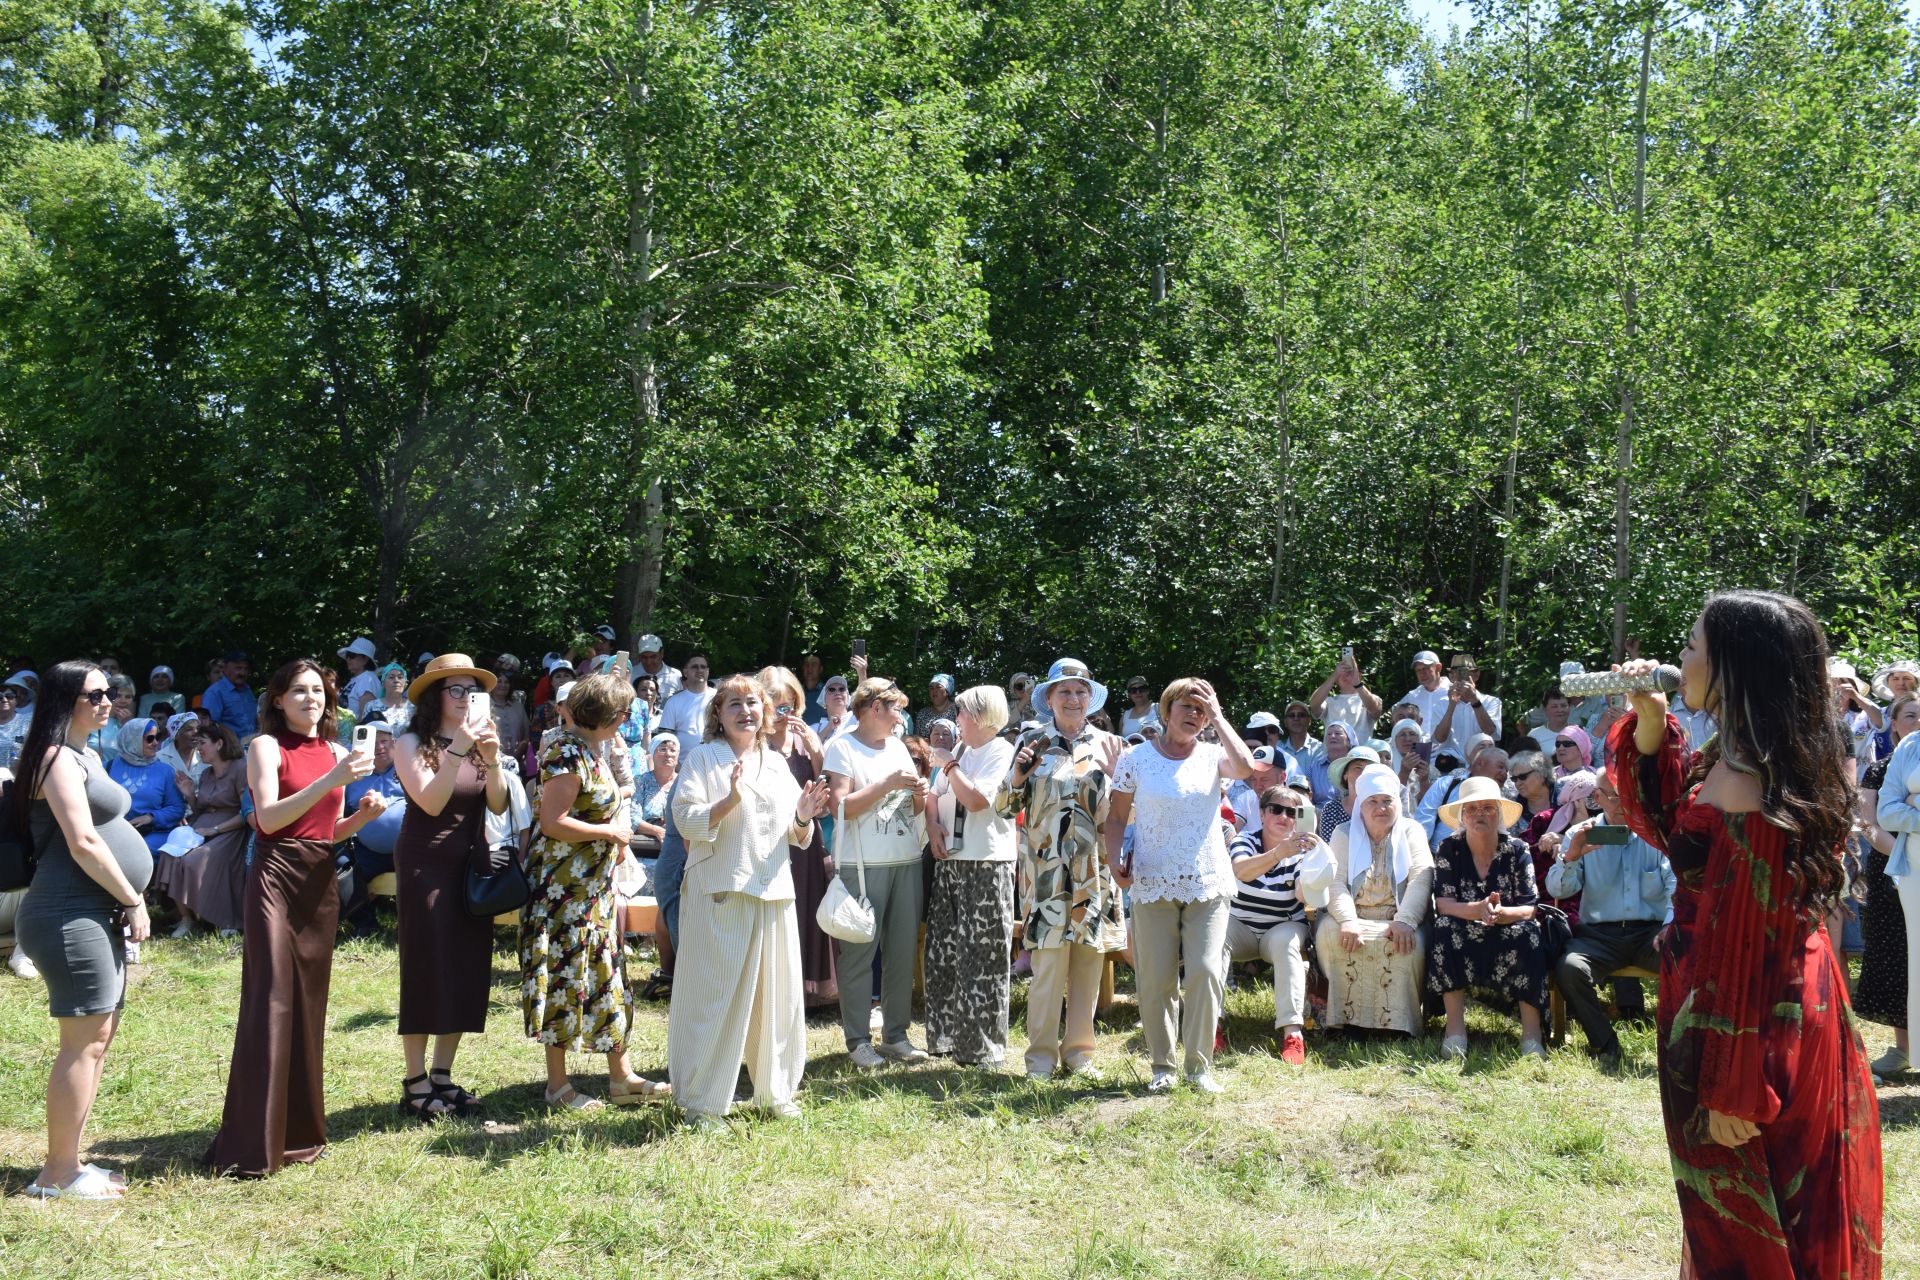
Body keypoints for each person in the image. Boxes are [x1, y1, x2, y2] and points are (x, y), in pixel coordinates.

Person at [1612, 592, 1880, 1277]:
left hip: (1747, 1022)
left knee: (1747, 1220)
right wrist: (1651, 721)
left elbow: (1752, 941)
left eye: (1692, 646)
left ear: (1733, 667)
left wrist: (1736, 1084)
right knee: (1755, 1212)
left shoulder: (1748, 783)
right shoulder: (1746, 757)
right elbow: (1675, 829)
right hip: (1755, 1007)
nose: (1680, 658)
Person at [204, 658, 384, 1178]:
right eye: (299, 691)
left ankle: (298, 1132)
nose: (311, 699)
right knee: (272, 999)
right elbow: (268, 819)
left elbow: (326, 831)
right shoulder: (265, 746)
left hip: (318, 881)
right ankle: (252, 1141)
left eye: (319, 690)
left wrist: (362, 818)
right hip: (274, 878)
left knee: (307, 1004)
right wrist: (332, 779)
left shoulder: (336, 752)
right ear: (278, 700)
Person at [13, 661, 154, 1199]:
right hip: (67, 912)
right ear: (63, 699)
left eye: (109, 691)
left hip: (93, 911)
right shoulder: (54, 758)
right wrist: (133, 898)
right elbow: (84, 842)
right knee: (82, 1043)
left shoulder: (86, 754)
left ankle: (70, 1163)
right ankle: (56, 1175)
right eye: (94, 694)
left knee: (96, 1039)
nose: (107, 701)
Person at [669, 674, 830, 1125]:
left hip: (773, 890)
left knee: (778, 998)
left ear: (766, 713)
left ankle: (775, 1093)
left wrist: (804, 815)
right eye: (734, 704)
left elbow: (796, 834)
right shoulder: (703, 758)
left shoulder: (776, 763)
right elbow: (684, 819)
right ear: (718, 715)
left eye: (753, 703)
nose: (746, 711)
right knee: (713, 997)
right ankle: (701, 1103)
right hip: (720, 889)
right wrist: (728, 801)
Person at [521, 671, 670, 1110]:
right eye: (622, 712)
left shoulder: (592, 749)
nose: (627, 719)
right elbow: (553, 822)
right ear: (606, 713)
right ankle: (557, 1087)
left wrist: (613, 839)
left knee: (606, 978)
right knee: (564, 979)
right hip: (563, 895)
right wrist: (609, 833)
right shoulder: (565, 751)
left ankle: (621, 1078)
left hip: (593, 892)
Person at [1106, 678, 1256, 1093]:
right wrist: (1115, 859)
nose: (1194, 715)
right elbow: (1116, 818)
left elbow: (1246, 767)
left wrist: (1220, 717)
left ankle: (1198, 1067)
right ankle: (1162, 1066)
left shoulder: (1213, 756)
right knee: (1156, 979)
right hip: (1152, 880)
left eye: (1201, 710)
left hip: (1208, 882)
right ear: (1166, 710)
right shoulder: (1136, 758)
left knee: (1206, 972)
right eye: (1186, 706)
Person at [389, 654, 509, 1120]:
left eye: (471, 691)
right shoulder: (411, 743)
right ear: (434, 697)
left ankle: (442, 1074)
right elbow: (432, 802)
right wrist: (458, 749)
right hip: (425, 865)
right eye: (455, 689)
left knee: (464, 966)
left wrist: (492, 761)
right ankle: (414, 1081)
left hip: (470, 865)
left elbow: (497, 805)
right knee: (426, 966)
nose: (464, 698)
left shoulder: (479, 743)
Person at [997, 658, 1128, 1079]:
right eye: (1065, 691)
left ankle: (1079, 1055)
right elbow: (1003, 807)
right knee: (1047, 973)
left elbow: (1129, 815)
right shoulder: (1031, 742)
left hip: (1094, 874)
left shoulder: (1110, 745)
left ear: (1091, 699)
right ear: (1049, 698)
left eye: (1080, 691)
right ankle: (1039, 1059)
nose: (1074, 698)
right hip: (1046, 877)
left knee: (1088, 969)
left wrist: (1119, 775)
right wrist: (1018, 778)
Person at [823, 676, 928, 1068]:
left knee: (901, 953)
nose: (900, 717)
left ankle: (896, 1036)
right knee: (858, 955)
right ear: (874, 708)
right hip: (862, 866)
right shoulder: (841, 747)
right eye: (895, 708)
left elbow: (912, 810)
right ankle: (858, 1041)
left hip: (905, 861)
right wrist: (886, 784)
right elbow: (840, 808)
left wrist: (919, 796)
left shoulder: (898, 746)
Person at [1544, 771, 1675, 1068]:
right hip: (1599, 936)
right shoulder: (1580, 833)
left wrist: (1669, 924)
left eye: (1630, 794)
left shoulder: (1655, 834)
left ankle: (1678, 1042)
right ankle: (1605, 1043)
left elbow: (1674, 884)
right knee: (1570, 968)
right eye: (1615, 796)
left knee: (1687, 958)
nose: (1623, 803)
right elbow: (1558, 890)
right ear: (1597, 798)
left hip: (1649, 934)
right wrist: (1571, 856)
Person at [922, 684, 1018, 1065]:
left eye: (960, 712)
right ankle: (945, 1039)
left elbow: (977, 800)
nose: (956, 719)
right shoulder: (960, 750)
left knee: (982, 956)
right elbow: (934, 796)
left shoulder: (1001, 751)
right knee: (943, 954)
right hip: (950, 863)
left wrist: (949, 764)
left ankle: (982, 1049)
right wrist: (932, 826)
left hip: (986, 863)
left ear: (979, 716)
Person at [1427, 777, 1548, 1059]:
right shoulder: (1448, 848)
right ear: (1462, 816)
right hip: (1463, 926)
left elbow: (1529, 907)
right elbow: (1443, 904)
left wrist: (1502, 914)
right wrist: (1478, 909)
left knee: (1529, 933)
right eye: (1471, 809)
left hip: (1508, 926)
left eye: (1487, 808)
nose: (1479, 814)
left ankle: (1532, 1036)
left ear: (1499, 813)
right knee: (1444, 928)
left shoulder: (1517, 849)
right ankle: (1455, 1031)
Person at [1316, 764, 1433, 1036]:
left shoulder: (1412, 831)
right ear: (1361, 805)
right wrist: (1347, 920)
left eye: (1386, 801)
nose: (1381, 808)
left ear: (1397, 803)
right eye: (1373, 801)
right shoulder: (1343, 833)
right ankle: (1345, 1023)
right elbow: (1334, 881)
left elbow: (1421, 877)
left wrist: (1405, 920)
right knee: (1330, 933)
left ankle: (1398, 1027)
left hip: (1398, 917)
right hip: (1353, 916)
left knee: (1410, 942)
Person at [1224, 783, 1325, 1065]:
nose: (1284, 817)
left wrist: (1316, 863)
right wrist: (1279, 853)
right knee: (1214, 939)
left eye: (1292, 812)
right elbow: (1241, 870)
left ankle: (1292, 1033)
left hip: (1282, 925)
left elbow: (1304, 897)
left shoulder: (1304, 850)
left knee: (1287, 945)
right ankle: (1212, 1024)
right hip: (1240, 924)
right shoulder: (1245, 840)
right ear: (1262, 813)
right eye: (1276, 809)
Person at [755, 666, 836, 1009]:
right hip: (770, 839)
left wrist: (817, 750)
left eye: (789, 706)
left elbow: (827, 792)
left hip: (806, 839)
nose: (783, 714)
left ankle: (806, 989)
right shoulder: (755, 741)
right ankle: (772, 989)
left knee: (806, 907)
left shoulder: (805, 739)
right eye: (776, 706)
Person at [165, 724, 250, 937]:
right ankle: (187, 919)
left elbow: (246, 812)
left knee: (194, 860)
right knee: (170, 855)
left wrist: (215, 829)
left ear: (219, 744)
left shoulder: (241, 768)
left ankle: (222, 918)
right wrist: (189, 795)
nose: (198, 748)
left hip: (231, 829)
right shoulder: (206, 774)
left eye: (202, 743)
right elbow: (200, 810)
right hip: (202, 826)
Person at [1873, 693, 1920, 1078]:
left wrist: (1915, 802)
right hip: (1912, 871)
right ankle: (1912, 1051)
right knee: (1913, 961)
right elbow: (1884, 814)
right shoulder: (1908, 749)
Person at [104, 717, 185, 854]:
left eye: (157, 737)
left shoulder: (165, 771)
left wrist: (151, 817)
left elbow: (177, 808)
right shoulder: (107, 767)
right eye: (149, 738)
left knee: (136, 851)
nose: (155, 743)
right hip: (113, 832)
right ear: (132, 739)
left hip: (151, 833)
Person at [1430, 654, 1502, 765]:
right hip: (1451, 765)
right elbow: (1439, 738)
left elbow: (1491, 732)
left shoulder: (1492, 702)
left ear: (1476, 675)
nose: (1462, 679)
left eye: (1467, 674)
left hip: (1481, 764)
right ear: (1451, 677)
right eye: (1457, 674)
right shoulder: (1441, 704)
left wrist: (1474, 700)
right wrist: (1451, 706)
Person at [1309, 651, 1383, 746]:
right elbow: (1313, 704)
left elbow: (1375, 710)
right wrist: (1334, 675)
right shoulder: (1329, 701)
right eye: (1343, 671)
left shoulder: (1369, 698)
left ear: (1359, 675)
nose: (1346, 675)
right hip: (1333, 754)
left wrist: (1357, 683)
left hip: (1359, 754)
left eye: (1350, 671)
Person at [1315, 743, 1382, 841]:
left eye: (1369, 768)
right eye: (1358, 768)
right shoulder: (1331, 809)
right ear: (1345, 774)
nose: (1364, 773)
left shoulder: (1383, 807)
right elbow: (1328, 847)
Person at [631, 734, 680, 848]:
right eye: (662, 749)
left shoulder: (684, 783)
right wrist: (656, 831)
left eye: (672, 750)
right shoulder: (640, 782)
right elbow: (632, 817)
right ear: (652, 754)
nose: (668, 754)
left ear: (678, 756)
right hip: (644, 846)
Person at [657, 654, 714, 742]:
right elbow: (665, 736)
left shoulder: (719, 697)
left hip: (716, 750)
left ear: (708, 671)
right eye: (695, 667)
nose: (699, 670)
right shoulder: (673, 701)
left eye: (703, 667)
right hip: (683, 751)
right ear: (685, 672)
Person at [201, 651, 257, 740]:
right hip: (230, 747)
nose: (242, 673)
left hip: (252, 744)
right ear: (225, 668)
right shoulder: (214, 692)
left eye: (246, 669)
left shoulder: (247, 690)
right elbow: (209, 728)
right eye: (238, 668)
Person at [1397, 650, 1452, 734]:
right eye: (1418, 670)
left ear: (1438, 668)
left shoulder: (1454, 691)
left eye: (1425, 668)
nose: (1422, 674)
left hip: (1450, 742)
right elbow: (1395, 715)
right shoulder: (1412, 696)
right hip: (1420, 742)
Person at [337, 638, 381, 719]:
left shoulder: (367, 679)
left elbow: (366, 716)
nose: (348, 659)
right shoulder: (357, 679)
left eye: (352, 655)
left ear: (365, 660)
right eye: (347, 655)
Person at [1526, 687, 1576, 756]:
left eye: (1563, 706)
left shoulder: (1579, 732)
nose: (1560, 710)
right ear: (1545, 709)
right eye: (1554, 706)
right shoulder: (1534, 735)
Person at [635, 634, 683, 702]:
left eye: (653, 657)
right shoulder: (630, 674)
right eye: (644, 657)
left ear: (662, 653)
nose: (648, 662)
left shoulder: (675, 675)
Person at [812, 674, 853, 741]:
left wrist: (861, 673)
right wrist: (828, 728)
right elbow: (810, 747)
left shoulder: (858, 720)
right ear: (824, 701)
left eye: (842, 689)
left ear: (848, 698)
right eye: (831, 690)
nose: (837, 692)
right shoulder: (814, 729)